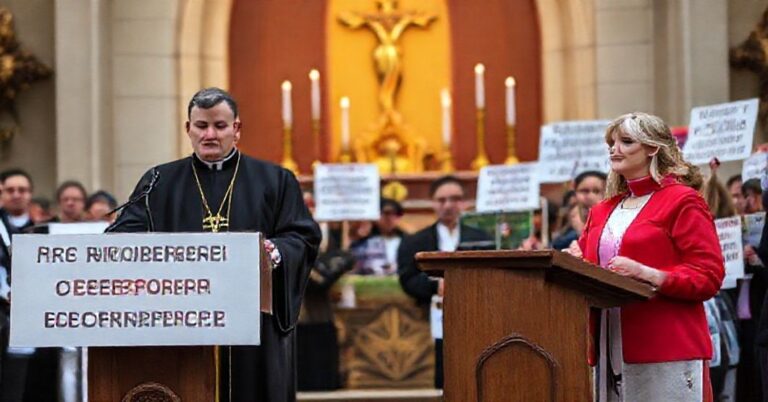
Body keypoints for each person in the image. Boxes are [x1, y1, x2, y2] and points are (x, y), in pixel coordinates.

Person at [109, 87, 321, 402]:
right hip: (180, 320)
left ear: (236, 129)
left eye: (219, 126)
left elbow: (302, 236)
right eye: (201, 126)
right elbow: (123, 239)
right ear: (188, 129)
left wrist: (275, 251)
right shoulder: (159, 181)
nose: (209, 134)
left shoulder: (275, 179)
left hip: (254, 322)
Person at [566, 112, 724, 401]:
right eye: (612, 143)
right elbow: (592, 271)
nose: (615, 149)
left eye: (626, 141)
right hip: (606, 347)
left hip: (666, 347)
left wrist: (651, 275)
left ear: (653, 148)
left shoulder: (683, 201)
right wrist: (573, 263)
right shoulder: (602, 210)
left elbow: (709, 276)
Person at [397, 175, 489, 389]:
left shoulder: (482, 238)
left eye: (455, 199)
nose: (448, 205)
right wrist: (435, 286)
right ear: (433, 203)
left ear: (464, 203)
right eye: (442, 200)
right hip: (430, 317)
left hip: (476, 316)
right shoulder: (414, 241)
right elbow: (407, 277)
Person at [350, 197, 406, 275]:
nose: (391, 218)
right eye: (386, 213)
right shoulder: (363, 243)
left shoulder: (407, 242)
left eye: (396, 214)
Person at [552, 171, 606, 249]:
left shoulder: (614, 228)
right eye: (584, 191)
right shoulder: (565, 238)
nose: (590, 197)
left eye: (596, 191)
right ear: (575, 194)